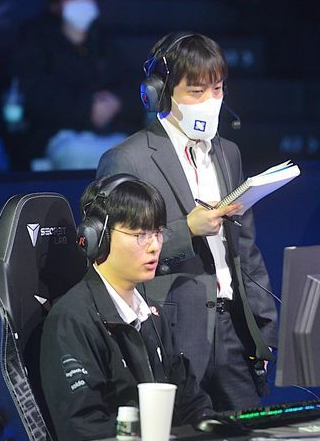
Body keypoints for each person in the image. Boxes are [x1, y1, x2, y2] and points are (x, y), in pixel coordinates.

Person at [97, 33, 277, 411]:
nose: (210, 101)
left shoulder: (228, 153)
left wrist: (264, 328)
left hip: (234, 332)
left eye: (217, 89)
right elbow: (111, 253)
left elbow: (245, 249)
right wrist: (187, 230)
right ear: (161, 93)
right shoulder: (128, 159)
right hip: (171, 333)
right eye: (196, 91)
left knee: (252, 435)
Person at [40, 174, 213, 441]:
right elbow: (83, 429)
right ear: (97, 237)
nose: (155, 246)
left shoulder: (151, 314)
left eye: (158, 232)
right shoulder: (72, 319)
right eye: (140, 235)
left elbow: (189, 399)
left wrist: (212, 427)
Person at [10, 0, 140, 170]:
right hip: (59, 135)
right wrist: (87, 108)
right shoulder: (36, 41)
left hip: (111, 133)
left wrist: (116, 102)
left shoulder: (102, 42)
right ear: (56, 5)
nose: (82, 4)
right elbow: (36, 93)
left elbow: (130, 83)